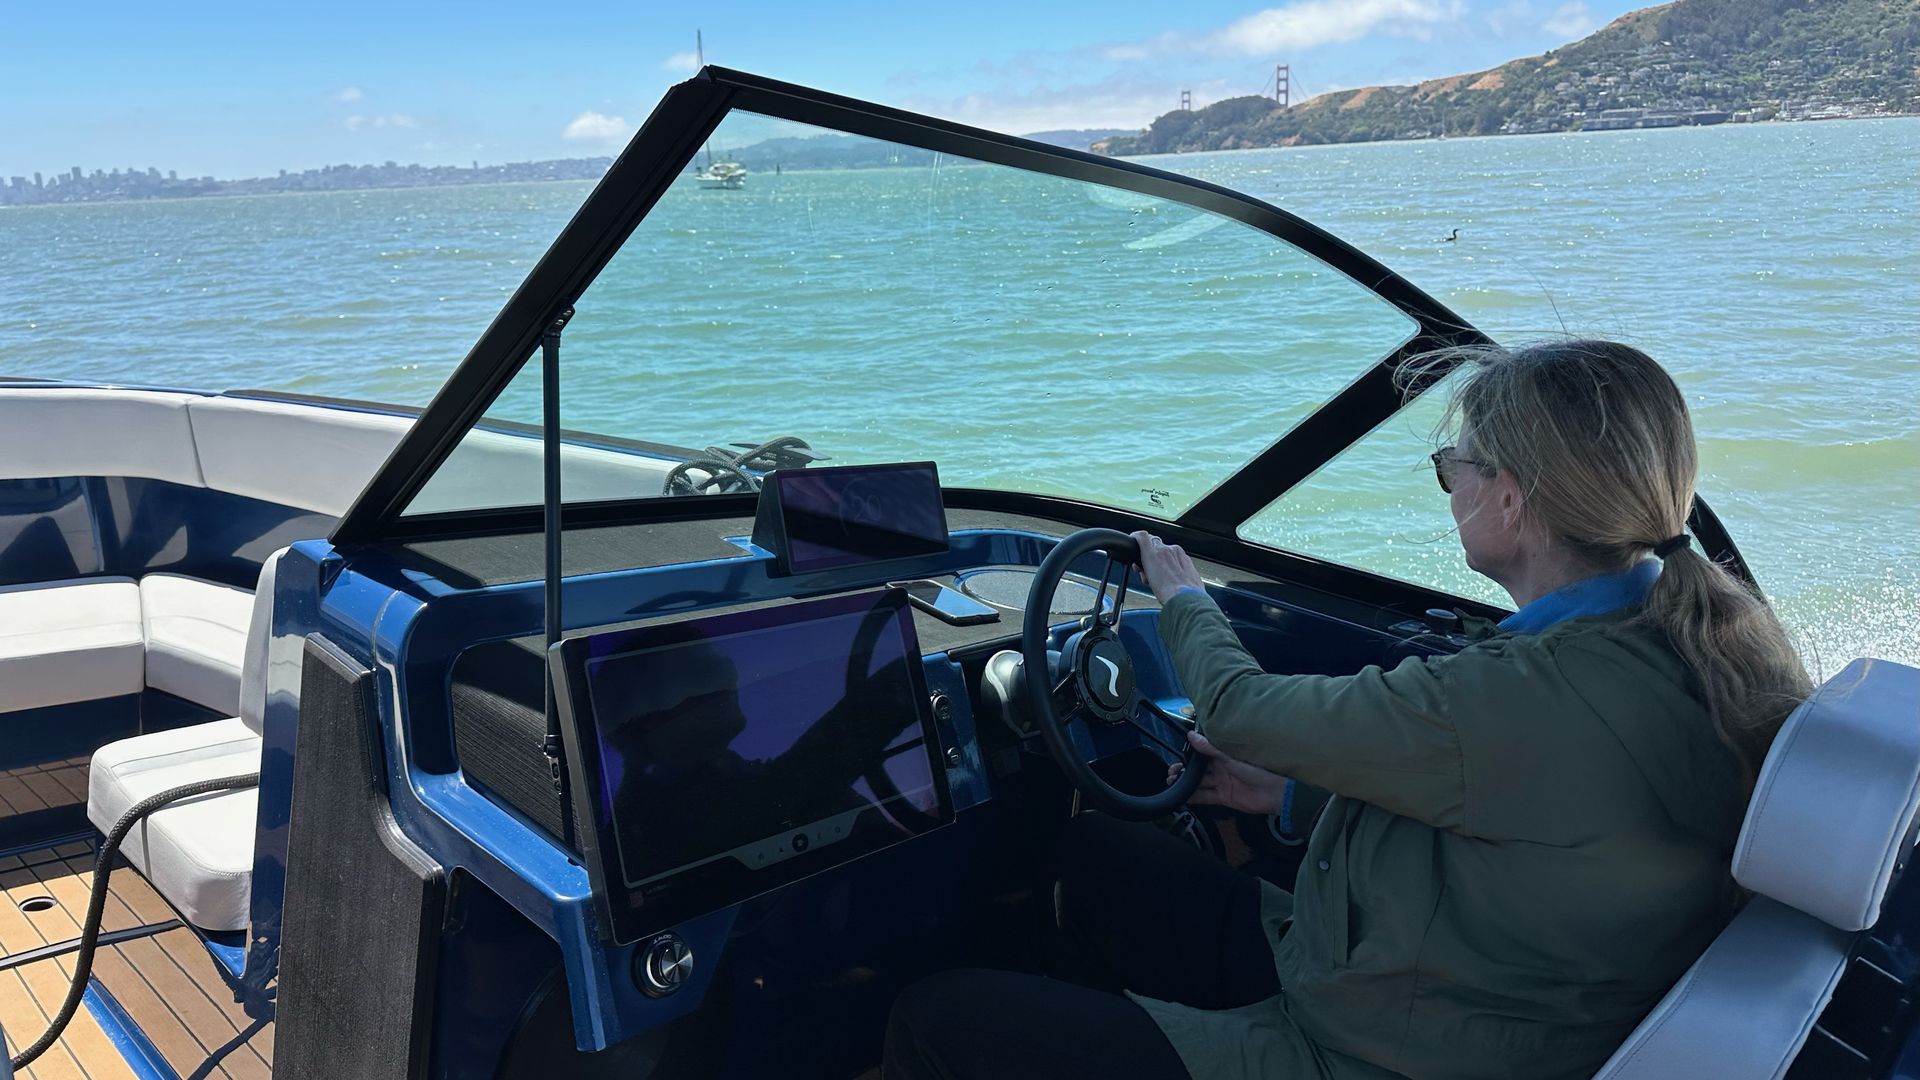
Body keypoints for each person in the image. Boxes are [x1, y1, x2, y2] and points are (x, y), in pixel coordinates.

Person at [884, 340, 1813, 1080]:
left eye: (1454, 465)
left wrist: (1182, 593)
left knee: (938, 1017)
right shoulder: (1686, 644)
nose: (1449, 484)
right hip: (1471, 1001)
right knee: (1096, 854)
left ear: (1511, 497)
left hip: (1376, 1052)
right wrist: (1290, 804)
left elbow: (1242, 710)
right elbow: (1544, 828)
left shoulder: (1528, 691)